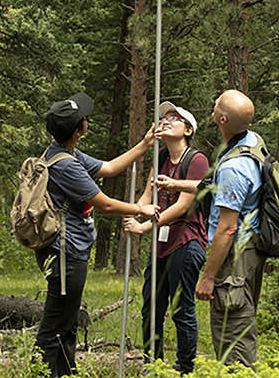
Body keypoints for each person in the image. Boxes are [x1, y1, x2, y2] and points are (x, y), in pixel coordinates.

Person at [36, 92, 159, 378]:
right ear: (80, 129)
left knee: (66, 321)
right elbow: (104, 203)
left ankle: (65, 372)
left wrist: (144, 145)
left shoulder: (65, 152)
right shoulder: (66, 165)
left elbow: (110, 168)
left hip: (69, 251)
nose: (87, 121)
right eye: (84, 119)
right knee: (55, 323)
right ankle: (42, 371)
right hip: (65, 253)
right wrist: (141, 208)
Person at [122, 102, 209, 375]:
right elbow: (148, 193)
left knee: (181, 309)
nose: (166, 121)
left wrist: (145, 228)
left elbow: (183, 206)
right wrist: (136, 212)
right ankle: (153, 363)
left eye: (175, 118)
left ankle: (185, 367)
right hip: (160, 245)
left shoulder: (196, 160)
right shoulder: (159, 156)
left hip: (187, 242)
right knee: (151, 306)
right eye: (164, 117)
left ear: (188, 129)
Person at [194, 89, 266, 367]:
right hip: (251, 249)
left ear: (222, 119)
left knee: (233, 331)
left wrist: (209, 276)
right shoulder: (251, 142)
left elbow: (227, 228)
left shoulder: (234, 168)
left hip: (234, 258)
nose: (213, 104)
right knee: (240, 320)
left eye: (217, 104)